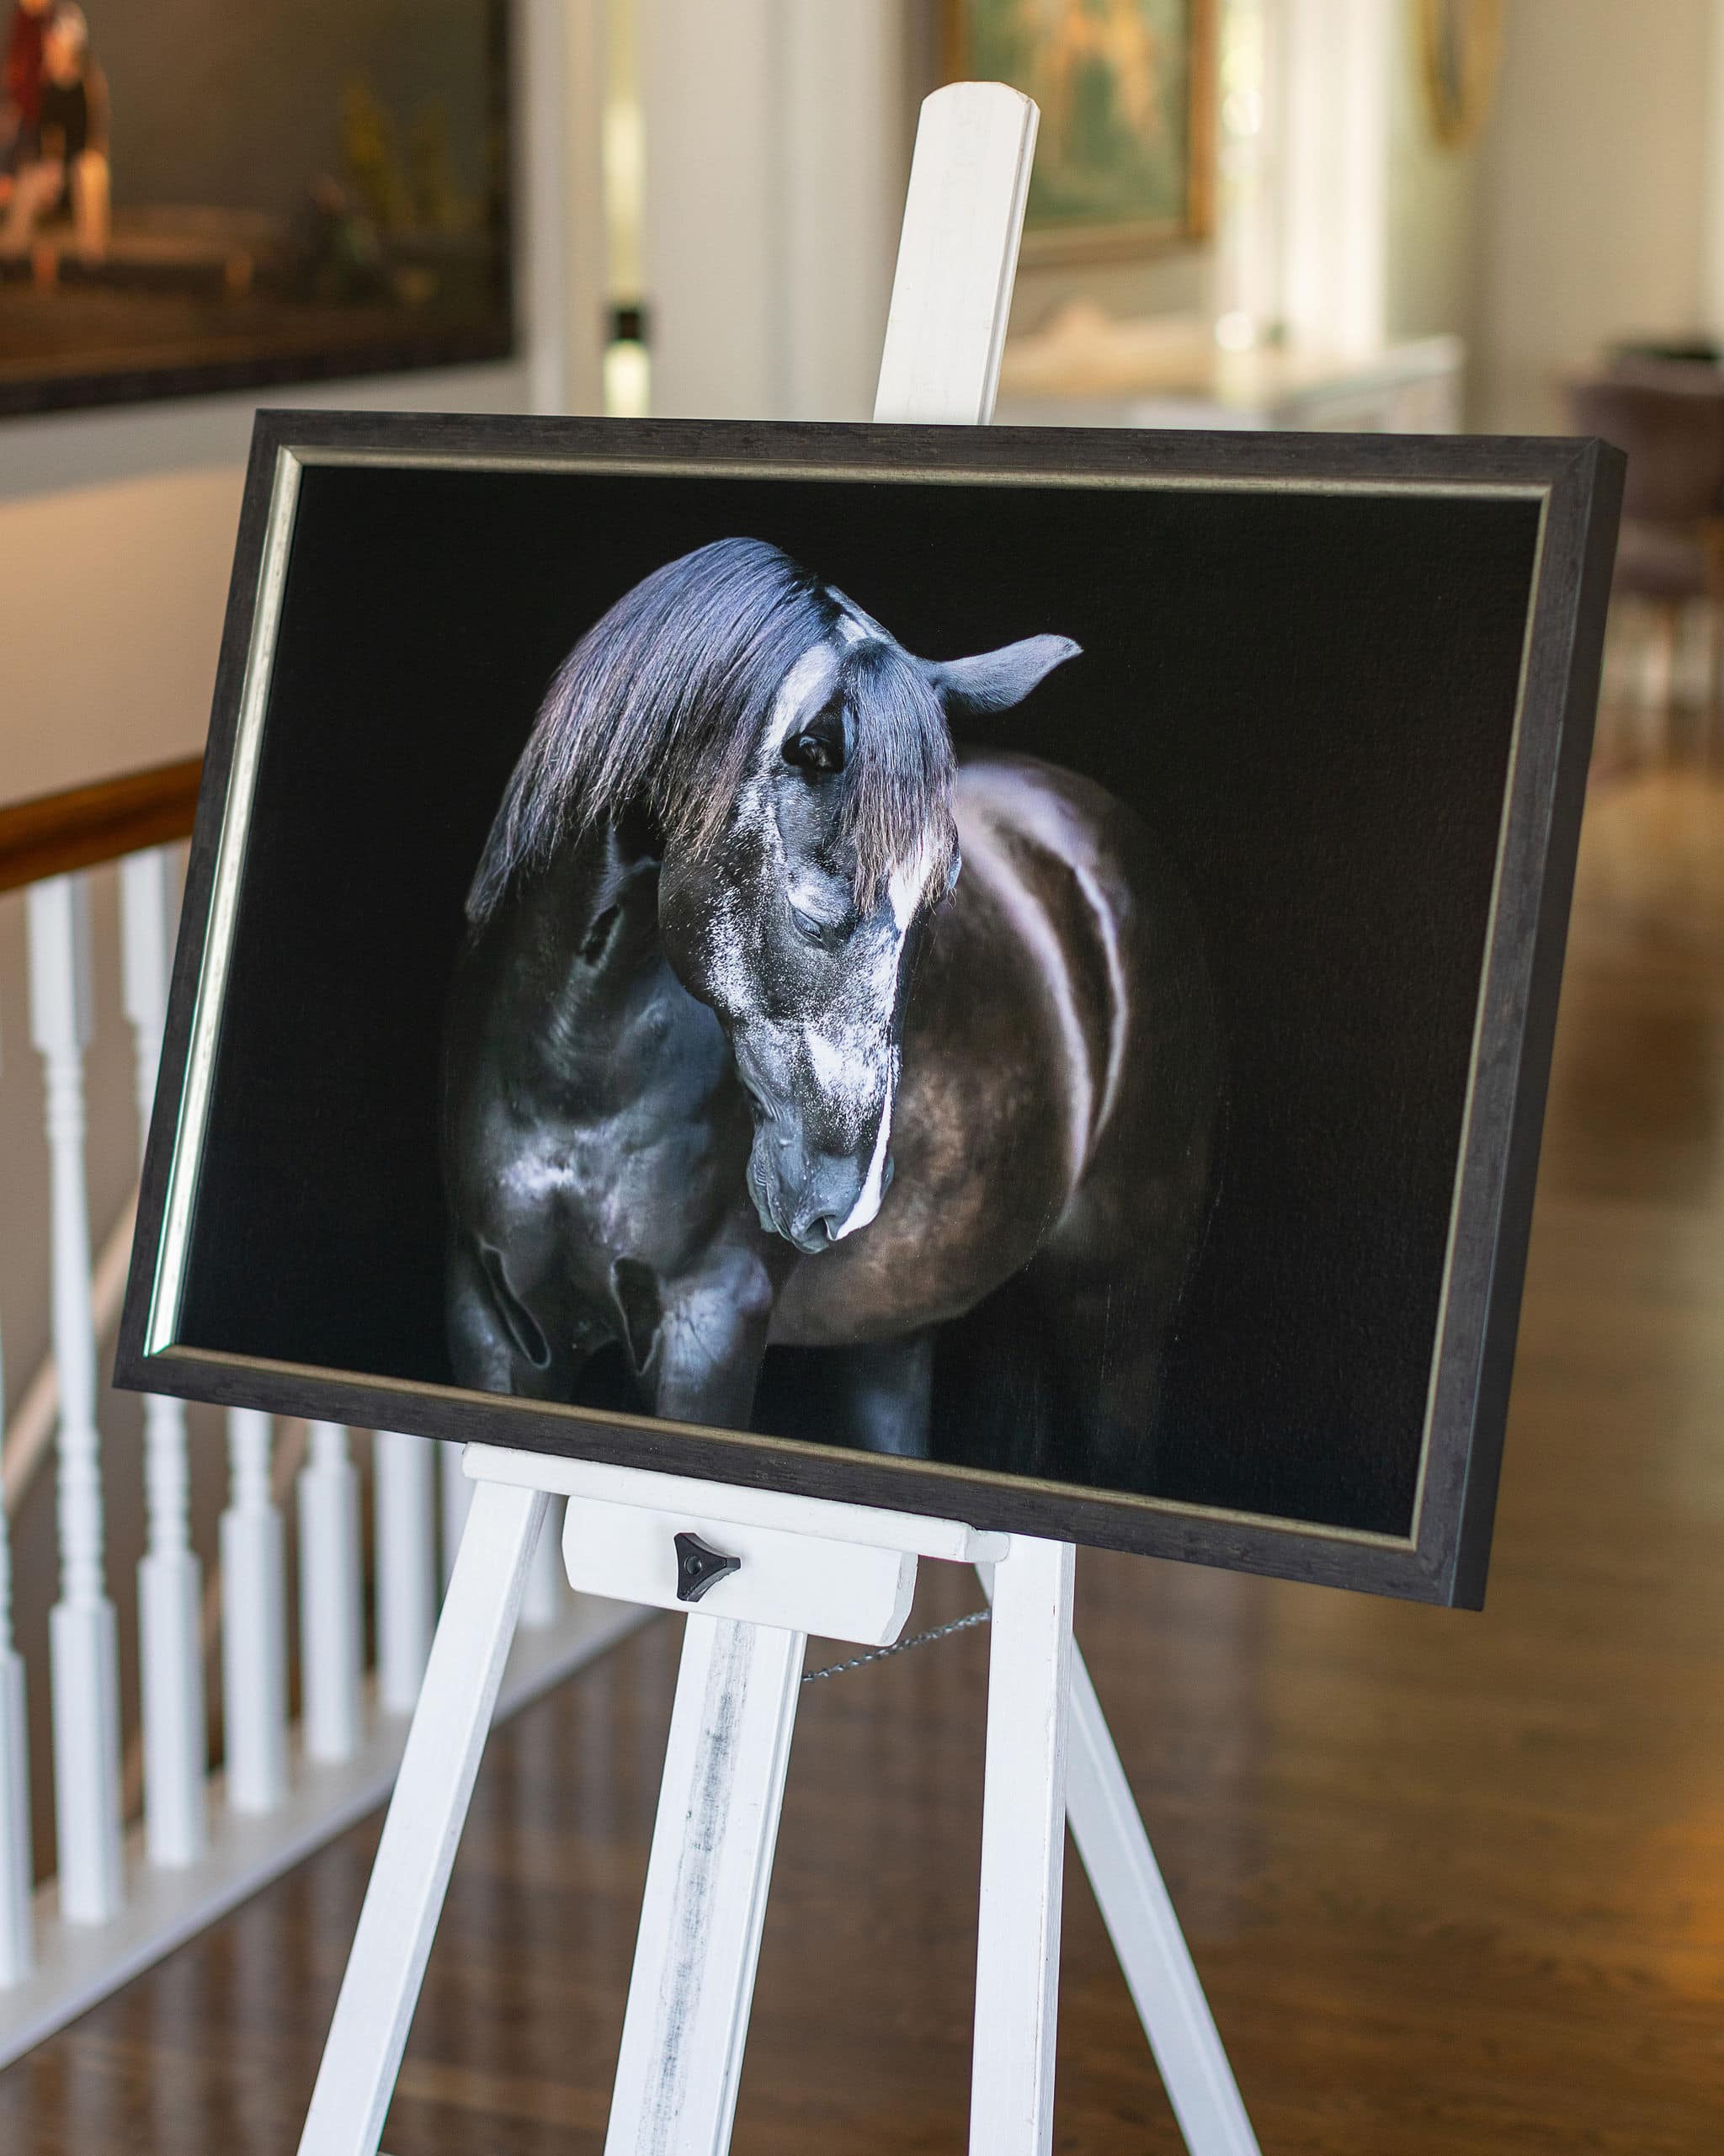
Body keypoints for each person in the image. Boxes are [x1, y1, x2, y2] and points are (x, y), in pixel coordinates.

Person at [0, 2, 108, 261]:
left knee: (90, 173)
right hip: (54, 167)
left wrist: (73, 163)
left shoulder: (87, 84)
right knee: (28, 184)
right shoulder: (43, 87)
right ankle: (9, 253)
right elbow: (43, 138)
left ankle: (92, 258)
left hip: (81, 163)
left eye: (57, 41)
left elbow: (93, 139)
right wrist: (48, 166)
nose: (52, 46)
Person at [0, 0, 53, 209]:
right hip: (19, 113)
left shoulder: (51, 20)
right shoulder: (19, 22)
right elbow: (14, 71)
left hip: (34, 118)